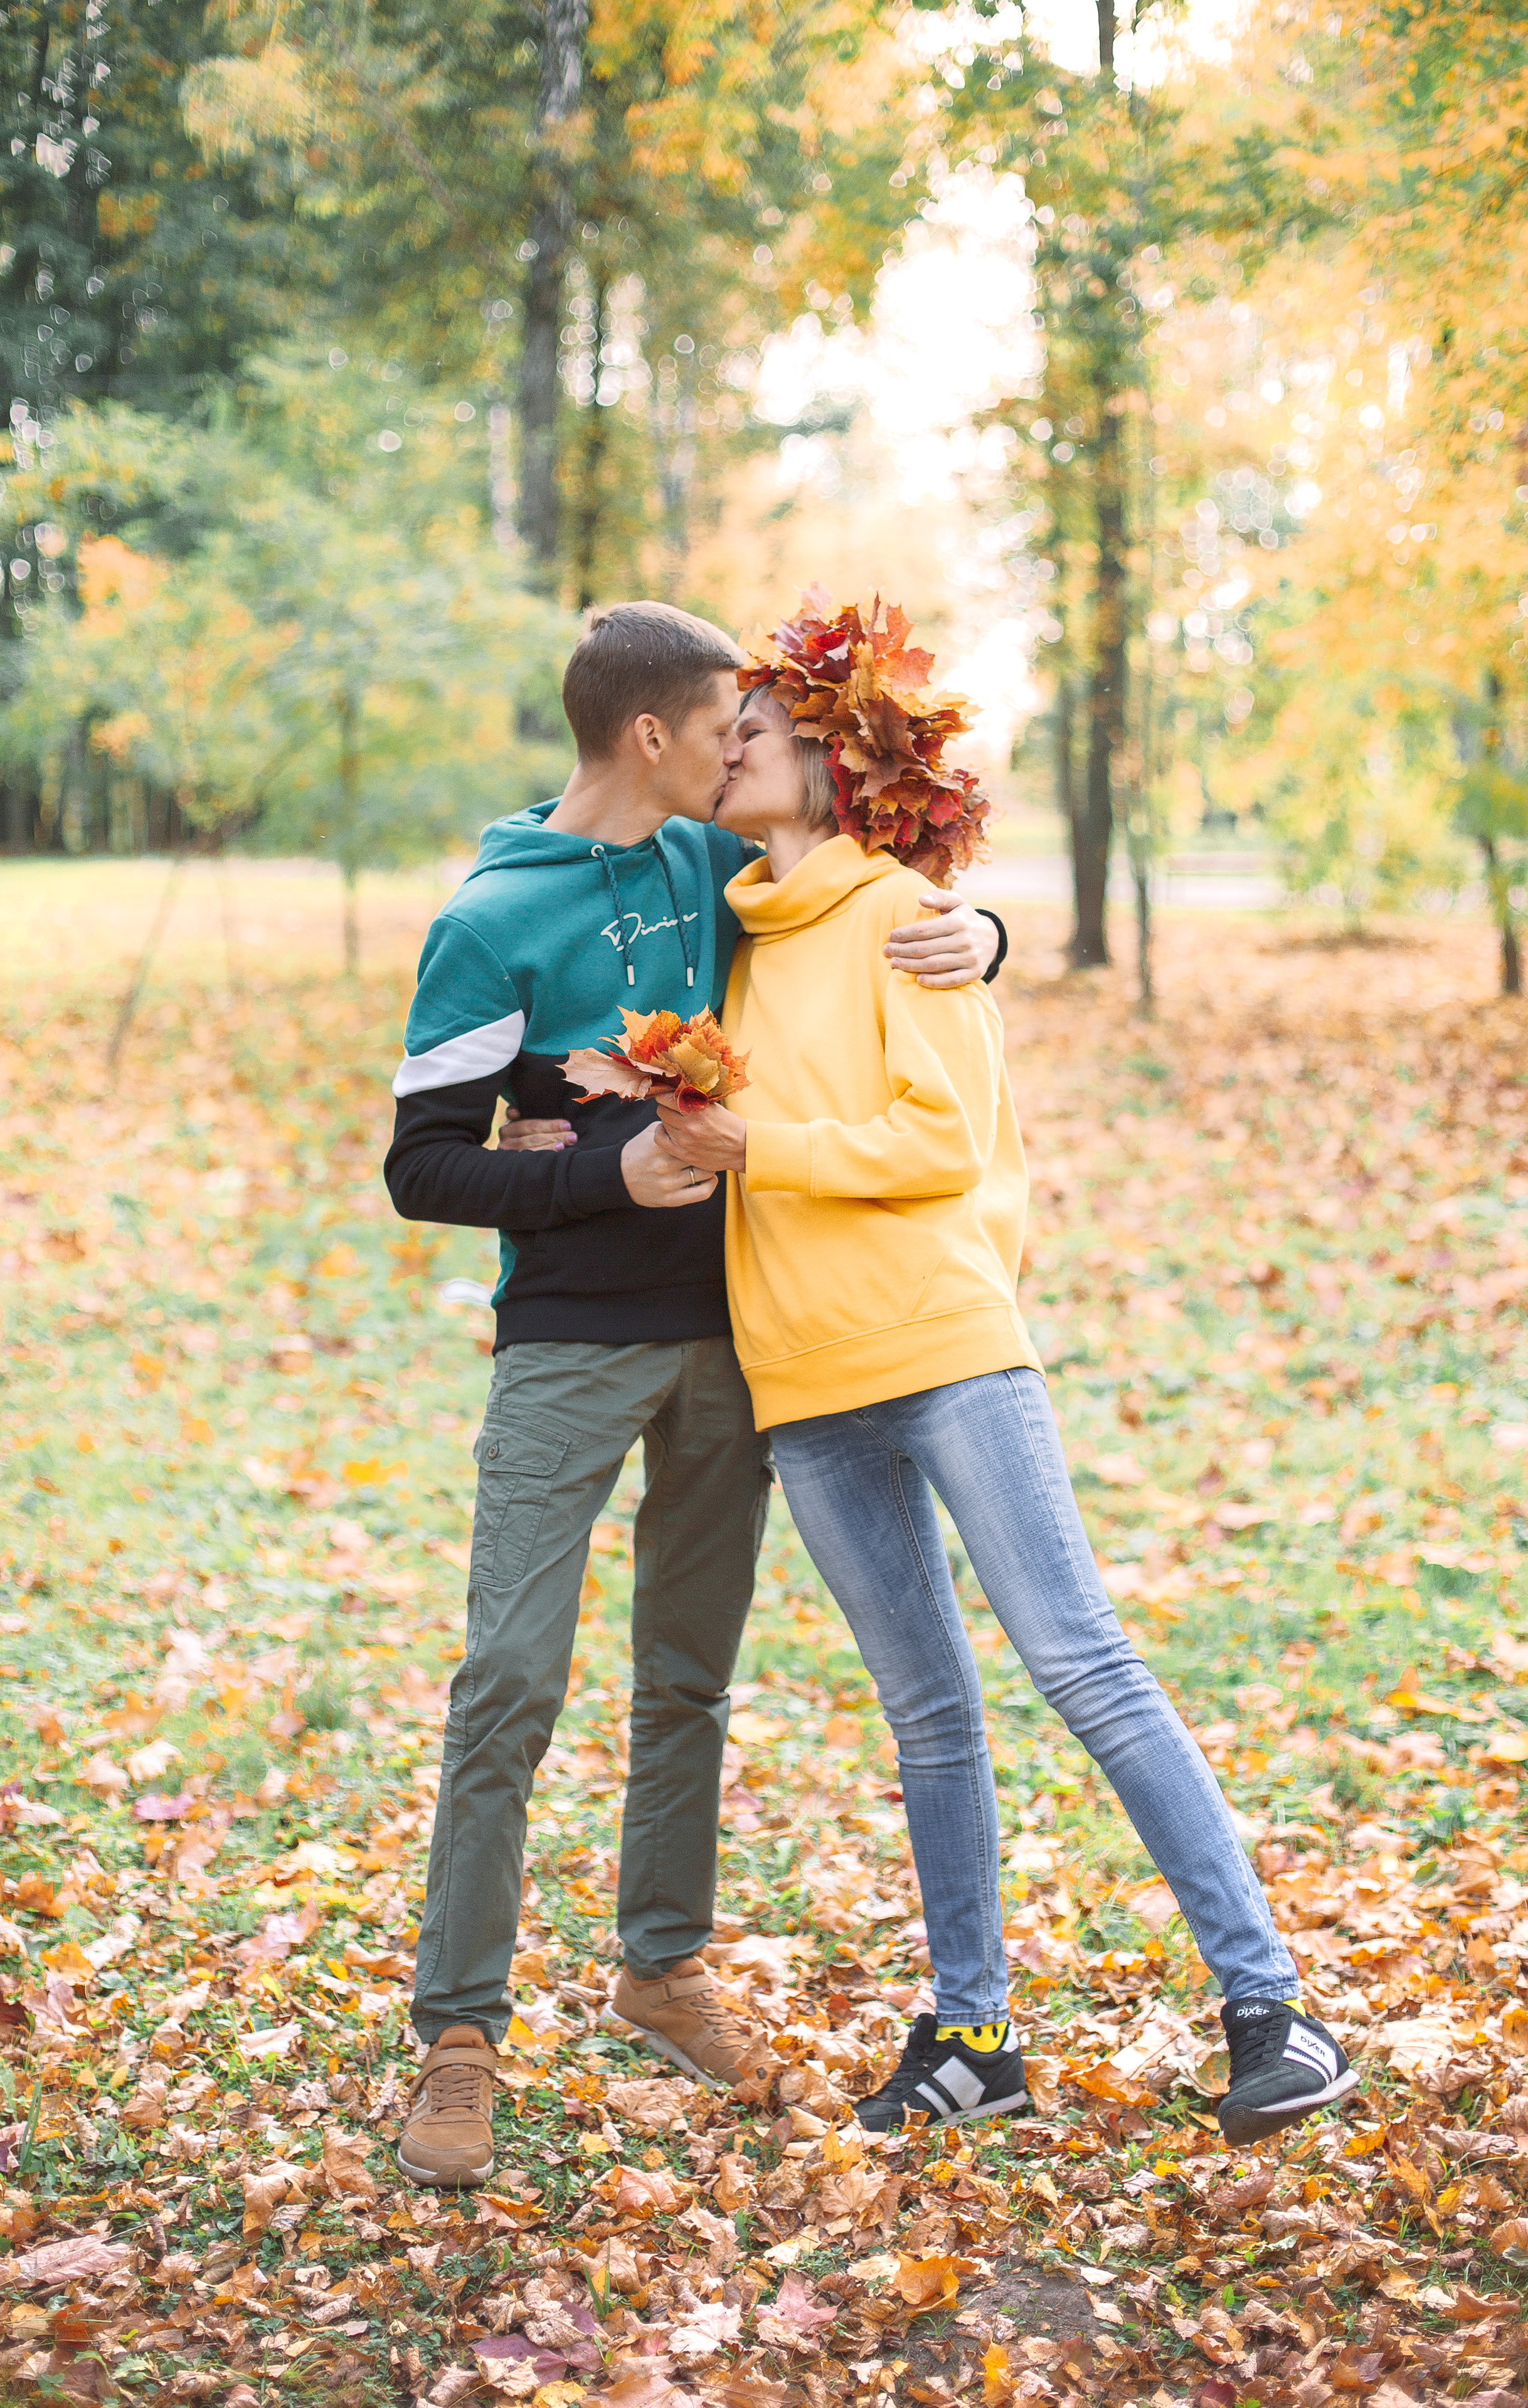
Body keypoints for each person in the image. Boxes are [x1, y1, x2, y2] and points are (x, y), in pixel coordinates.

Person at [650, 591, 1357, 2149]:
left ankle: (1272, 2006)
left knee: (1083, 1667)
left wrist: (762, 1140)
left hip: (946, 1346)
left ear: (830, 765)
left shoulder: (903, 917)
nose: (725, 752)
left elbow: (938, 1142)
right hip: (803, 1378)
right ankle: (973, 2037)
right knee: (926, 1715)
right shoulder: (740, 932)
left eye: (753, 733)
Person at [381, 599, 1005, 2187]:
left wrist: (985, 936)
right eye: (722, 723)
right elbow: (421, 1165)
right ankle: (458, 2031)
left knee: (688, 1675)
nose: (744, 745)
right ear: (645, 736)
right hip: (568, 1346)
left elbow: (862, 893)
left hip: (736, 1337)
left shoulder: (706, 871)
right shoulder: (486, 923)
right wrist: (608, 1170)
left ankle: (660, 1970)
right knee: (508, 1679)